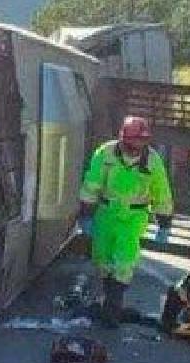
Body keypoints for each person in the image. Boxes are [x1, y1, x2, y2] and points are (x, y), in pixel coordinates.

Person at [79, 115, 173, 328]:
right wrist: (86, 213)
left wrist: (164, 222)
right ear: (123, 139)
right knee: (102, 258)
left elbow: (161, 192)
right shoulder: (105, 153)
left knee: (123, 261)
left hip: (133, 217)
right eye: (134, 141)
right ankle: (109, 303)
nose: (137, 146)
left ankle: (112, 310)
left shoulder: (152, 160)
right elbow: (92, 184)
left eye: (142, 141)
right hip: (106, 213)